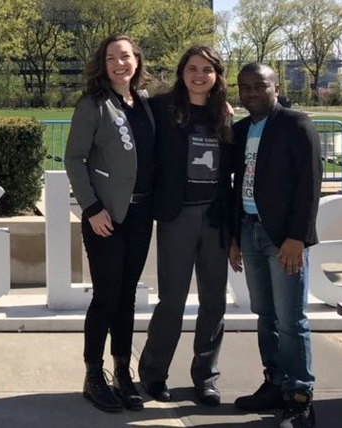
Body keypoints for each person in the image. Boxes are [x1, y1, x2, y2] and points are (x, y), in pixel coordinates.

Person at [137, 45, 234, 407]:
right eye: (192, 68)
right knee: (172, 301)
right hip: (177, 217)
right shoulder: (161, 109)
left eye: (207, 70)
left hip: (215, 218)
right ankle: (154, 373)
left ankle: (205, 376)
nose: (198, 75)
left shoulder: (222, 113)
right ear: (181, 73)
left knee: (214, 301)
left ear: (216, 76)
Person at [65, 34, 155, 413]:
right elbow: (74, 159)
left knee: (128, 295)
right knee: (106, 296)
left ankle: (122, 370)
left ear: (136, 61)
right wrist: (92, 207)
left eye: (126, 57)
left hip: (140, 215)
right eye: (112, 58)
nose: (121, 64)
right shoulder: (93, 105)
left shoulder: (146, 103)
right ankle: (93, 374)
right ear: (103, 66)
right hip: (106, 217)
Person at [230, 62, 322, 428]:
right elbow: (233, 185)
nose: (251, 92)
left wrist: (298, 237)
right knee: (265, 315)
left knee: (291, 320)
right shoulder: (239, 131)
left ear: (276, 87)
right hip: (249, 232)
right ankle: (275, 383)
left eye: (259, 86)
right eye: (245, 87)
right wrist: (234, 237)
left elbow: (310, 184)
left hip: (284, 238)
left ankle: (300, 397)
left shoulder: (296, 124)